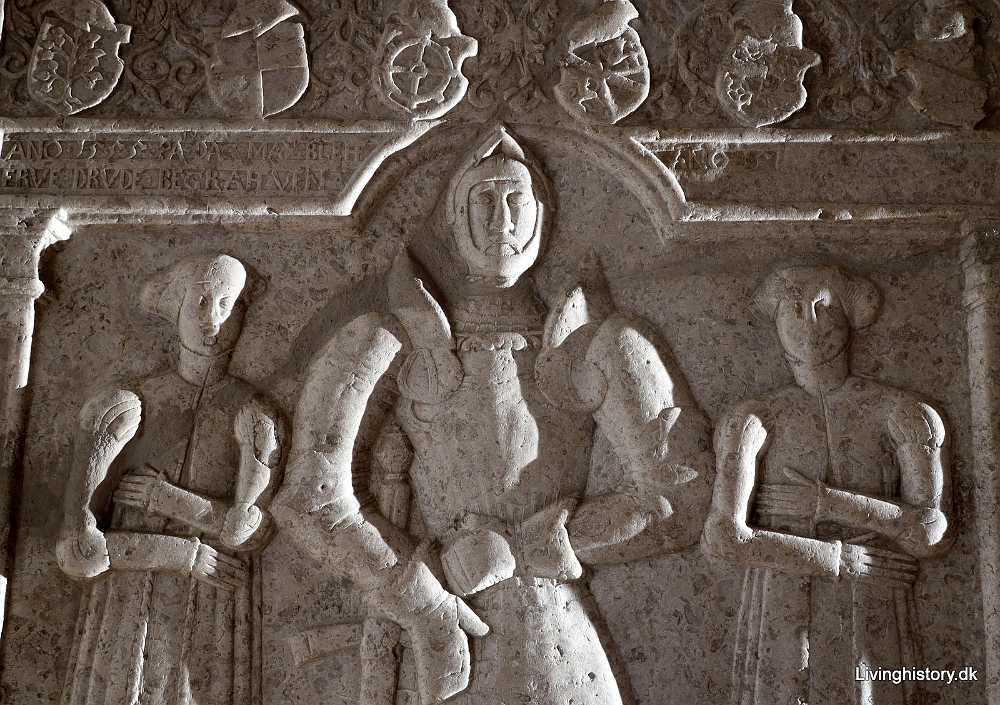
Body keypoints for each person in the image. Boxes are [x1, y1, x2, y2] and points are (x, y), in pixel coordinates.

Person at [272, 126, 713, 705]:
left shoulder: (597, 343)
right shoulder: (387, 339)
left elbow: (680, 494)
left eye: (515, 201)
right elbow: (311, 496)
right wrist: (419, 595)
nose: (500, 220)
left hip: (554, 630)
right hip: (440, 624)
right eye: (482, 201)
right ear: (454, 220)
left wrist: (534, 546)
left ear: (541, 216)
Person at [702, 265, 951, 705]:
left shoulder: (903, 413)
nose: (809, 317)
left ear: (850, 315)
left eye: (822, 304)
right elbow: (724, 537)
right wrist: (839, 559)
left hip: (873, 599)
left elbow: (930, 532)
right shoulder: (753, 419)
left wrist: (827, 502)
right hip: (789, 594)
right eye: (794, 307)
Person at [56, 254, 285, 705]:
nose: (212, 319)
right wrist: (184, 554)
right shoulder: (127, 406)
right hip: (128, 602)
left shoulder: (256, 414)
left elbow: (246, 532)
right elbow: (78, 551)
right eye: (200, 301)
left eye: (226, 304)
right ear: (177, 307)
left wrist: (165, 499)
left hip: (212, 603)